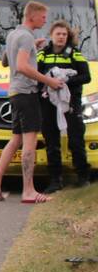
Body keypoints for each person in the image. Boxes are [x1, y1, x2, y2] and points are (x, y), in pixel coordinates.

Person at [0, 1, 65, 204]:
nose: (45, 20)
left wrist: (32, 48)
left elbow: (6, 61)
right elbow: (21, 66)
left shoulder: (13, 35)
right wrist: (49, 81)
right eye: (43, 17)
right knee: (30, 142)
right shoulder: (26, 37)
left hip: (14, 92)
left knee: (15, 140)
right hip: (27, 94)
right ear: (32, 16)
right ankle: (28, 191)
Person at [37, 20, 91, 192]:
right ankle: (55, 180)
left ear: (67, 36)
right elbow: (35, 76)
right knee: (51, 140)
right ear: (51, 35)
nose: (61, 37)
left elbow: (86, 76)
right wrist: (48, 84)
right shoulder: (43, 54)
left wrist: (65, 81)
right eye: (58, 34)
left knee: (76, 138)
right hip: (48, 101)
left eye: (64, 34)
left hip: (71, 101)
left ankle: (82, 177)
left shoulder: (74, 53)